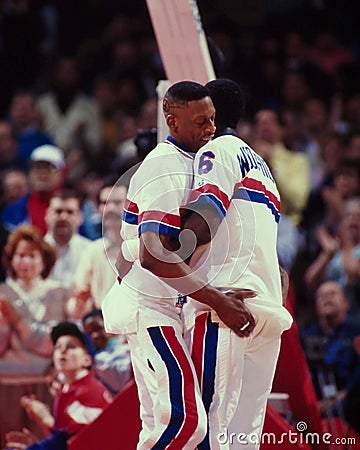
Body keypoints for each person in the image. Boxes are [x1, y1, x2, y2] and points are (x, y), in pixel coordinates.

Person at [102, 80, 256, 450]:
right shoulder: (164, 166)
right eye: (200, 121)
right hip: (151, 307)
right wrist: (217, 300)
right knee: (187, 422)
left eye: (213, 120)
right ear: (172, 122)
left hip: (169, 305)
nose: (210, 129)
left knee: (159, 424)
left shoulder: (194, 161)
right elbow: (153, 255)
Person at [183, 79, 293, 449]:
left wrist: (163, 257)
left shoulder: (216, 151)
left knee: (212, 429)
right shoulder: (264, 169)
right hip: (267, 307)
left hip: (228, 305)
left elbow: (204, 219)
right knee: (245, 436)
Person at [0, 226, 76, 441]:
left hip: (47, 382)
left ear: (44, 260)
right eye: (20, 255)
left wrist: (15, 319)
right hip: (7, 384)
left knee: (44, 441)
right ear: (11, 260)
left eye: (32, 256)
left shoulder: (58, 292)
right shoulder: (3, 292)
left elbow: (47, 344)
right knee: (10, 442)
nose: (26, 262)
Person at [4, 321, 113, 450]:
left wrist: (38, 447)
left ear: (86, 360)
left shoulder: (89, 390)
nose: (62, 350)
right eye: (57, 347)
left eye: (71, 346)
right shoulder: (68, 390)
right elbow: (66, 437)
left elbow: (81, 442)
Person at [300, 281, 360, 422]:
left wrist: (341, 397)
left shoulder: (356, 334)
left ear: (346, 303)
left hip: (350, 404)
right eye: (322, 296)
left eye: (332, 294)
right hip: (313, 404)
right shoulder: (305, 336)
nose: (327, 299)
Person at [74, 177, 127, 308]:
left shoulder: (142, 247)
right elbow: (80, 295)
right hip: (100, 320)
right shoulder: (92, 250)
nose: (110, 208)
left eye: (117, 202)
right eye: (104, 203)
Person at [1, 144, 65, 235]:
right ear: (29, 173)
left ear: (61, 173)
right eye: (37, 167)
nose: (43, 173)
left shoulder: (72, 209)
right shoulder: (13, 211)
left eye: (50, 167)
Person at [44, 189, 90, 291]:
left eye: (70, 212)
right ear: (46, 215)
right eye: (58, 211)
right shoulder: (35, 249)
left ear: (80, 218)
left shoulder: (90, 251)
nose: (63, 217)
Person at [82, 309, 132, 396]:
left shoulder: (127, 339)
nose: (95, 336)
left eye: (98, 328)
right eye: (90, 333)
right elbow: (123, 380)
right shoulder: (100, 362)